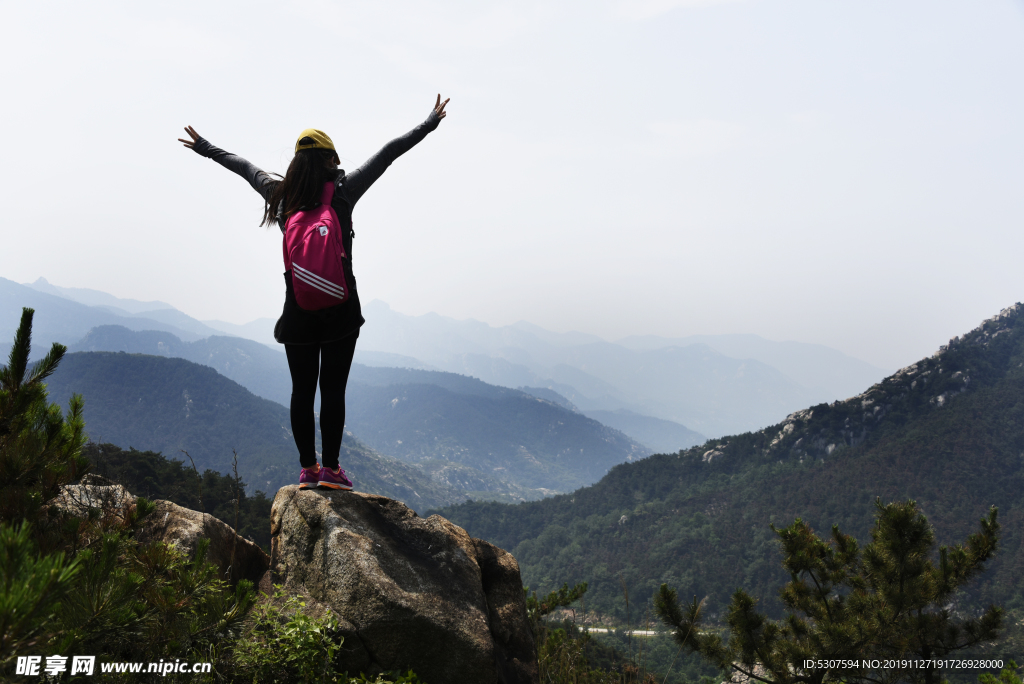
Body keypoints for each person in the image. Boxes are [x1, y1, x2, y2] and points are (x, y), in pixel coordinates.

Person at [179, 95, 449, 491]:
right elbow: (388, 153)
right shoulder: (342, 192)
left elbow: (243, 167)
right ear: (328, 159)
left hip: (298, 312)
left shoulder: (281, 195)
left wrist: (204, 148)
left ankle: (307, 469)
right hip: (341, 311)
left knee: (302, 391)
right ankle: (332, 471)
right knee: (332, 391)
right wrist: (427, 124)